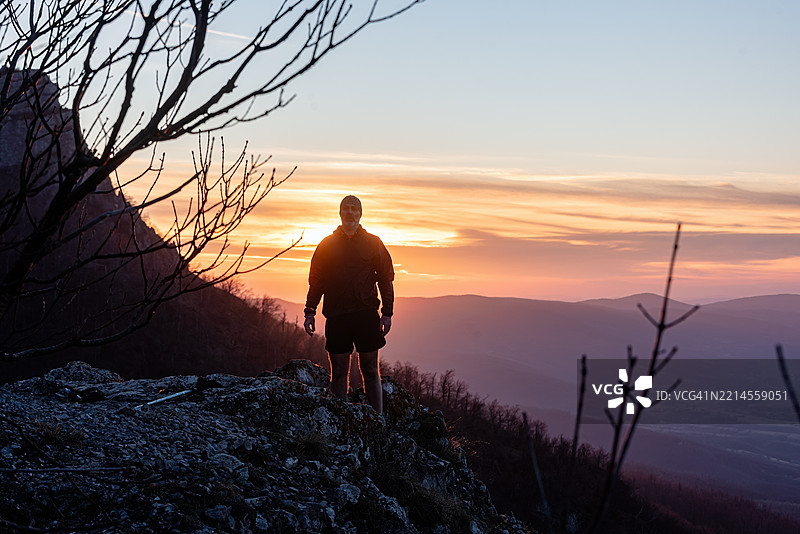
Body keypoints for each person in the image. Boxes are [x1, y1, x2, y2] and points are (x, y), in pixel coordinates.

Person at [303, 195, 394, 414]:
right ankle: (341, 420)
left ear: (360, 214)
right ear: (340, 212)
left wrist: (387, 312)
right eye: (346, 209)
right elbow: (317, 280)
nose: (350, 213)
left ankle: (378, 419)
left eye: (354, 209)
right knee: (339, 371)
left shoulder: (374, 243)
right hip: (337, 316)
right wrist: (309, 310)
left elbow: (386, 278)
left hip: (366, 314)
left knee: (371, 369)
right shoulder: (326, 245)